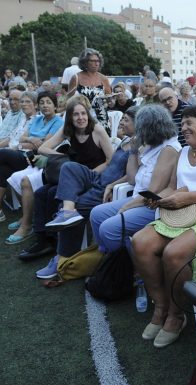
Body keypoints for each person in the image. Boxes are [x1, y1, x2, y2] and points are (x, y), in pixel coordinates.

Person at [131, 105, 196, 348]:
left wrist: (186, 197)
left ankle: (176, 315)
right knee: (140, 242)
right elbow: (172, 187)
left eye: (190, 123)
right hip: (181, 210)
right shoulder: (183, 153)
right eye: (183, 124)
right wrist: (158, 198)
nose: (184, 127)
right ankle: (161, 307)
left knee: (173, 253)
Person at [34, 107, 139, 278]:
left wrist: (112, 185)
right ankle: (68, 212)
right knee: (68, 167)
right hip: (98, 178)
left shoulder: (139, 145)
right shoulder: (126, 139)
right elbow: (110, 164)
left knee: (70, 202)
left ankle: (62, 257)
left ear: (138, 123)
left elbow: (132, 176)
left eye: (126, 119)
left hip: (105, 187)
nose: (122, 122)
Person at [19, 97, 112, 263]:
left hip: (94, 176)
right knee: (41, 193)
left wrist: (87, 172)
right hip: (73, 177)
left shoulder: (97, 130)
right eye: (76, 114)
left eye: (83, 113)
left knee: (54, 192)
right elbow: (42, 148)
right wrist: (64, 156)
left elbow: (110, 160)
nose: (80, 118)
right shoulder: (68, 130)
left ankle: (55, 240)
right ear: (70, 117)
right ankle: (43, 239)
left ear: (88, 115)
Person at [87, 105, 180, 256]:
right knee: (96, 214)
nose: (139, 132)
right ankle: (108, 260)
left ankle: (132, 267)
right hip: (137, 199)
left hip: (153, 206)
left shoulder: (168, 149)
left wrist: (125, 207)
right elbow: (131, 180)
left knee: (109, 228)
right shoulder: (151, 145)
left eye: (141, 127)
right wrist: (134, 150)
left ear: (151, 128)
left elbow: (153, 192)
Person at [0, 92, 64, 226]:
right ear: (38, 105)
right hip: (21, 153)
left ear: (55, 106)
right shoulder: (37, 119)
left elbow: (42, 144)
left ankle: (27, 219)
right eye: (42, 103)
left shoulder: (58, 122)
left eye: (48, 102)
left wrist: (28, 142)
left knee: (2, 153)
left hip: (34, 158)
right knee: (3, 171)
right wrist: (30, 139)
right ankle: (26, 217)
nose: (45, 106)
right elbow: (22, 138)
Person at [67, 48, 111, 133]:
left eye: (98, 61)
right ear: (85, 62)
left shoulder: (104, 79)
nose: (96, 63)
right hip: (82, 117)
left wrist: (111, 100)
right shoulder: (76, 78)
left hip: (101, 117)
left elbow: (109, 100)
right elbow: (68, 100)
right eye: (92, 61)